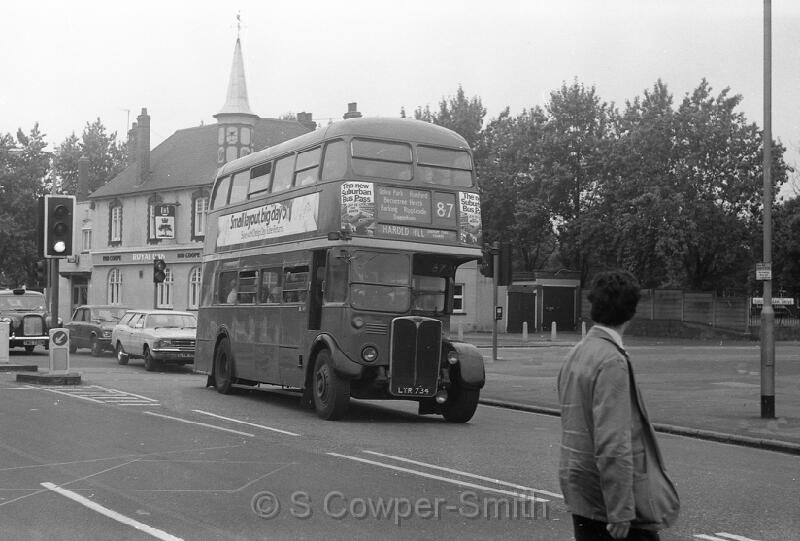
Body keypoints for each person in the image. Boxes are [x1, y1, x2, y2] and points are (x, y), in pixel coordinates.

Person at [557, 270, 679, 541]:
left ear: (594, 306)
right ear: (632, 311)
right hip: (609, 502)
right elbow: (613, 442)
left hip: (580, 488)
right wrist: (621, 509)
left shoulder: (576, 353)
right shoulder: (612, 361)